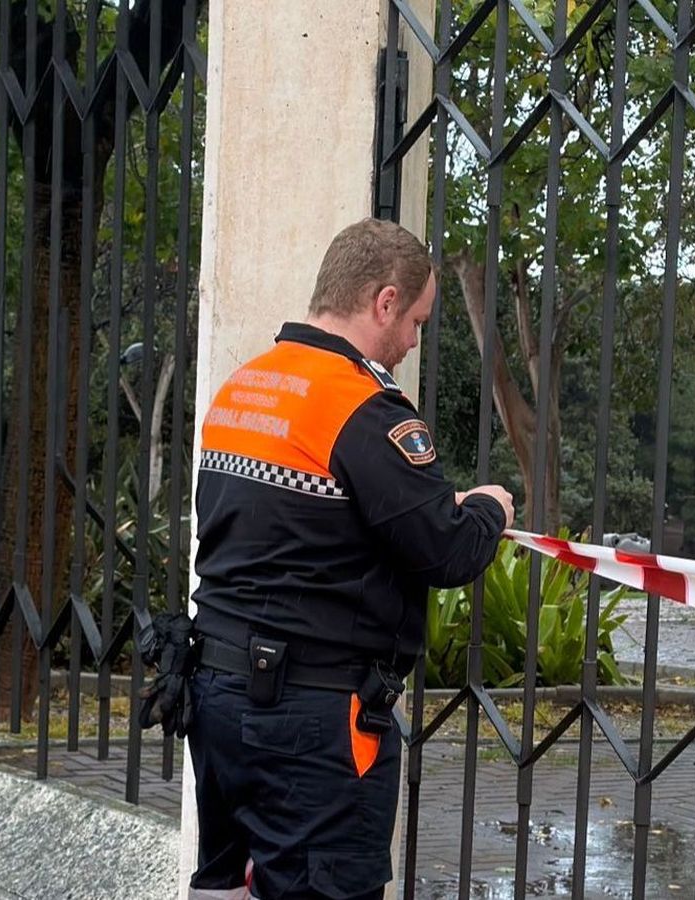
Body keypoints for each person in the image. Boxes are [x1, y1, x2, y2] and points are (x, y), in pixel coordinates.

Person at [178, 217, 514, 900]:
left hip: (215, 695)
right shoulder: (363, 407)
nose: (414, 340)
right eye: (417, 320)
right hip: (311, 719)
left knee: (224, 888)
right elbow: (445, 550)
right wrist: (489, 508)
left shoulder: (243, 389)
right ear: (383, 302)